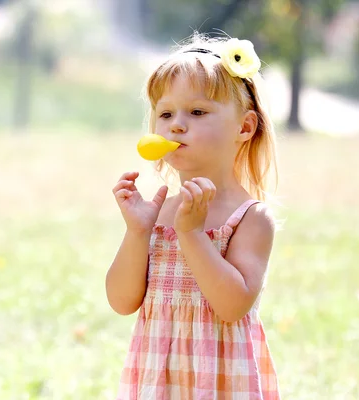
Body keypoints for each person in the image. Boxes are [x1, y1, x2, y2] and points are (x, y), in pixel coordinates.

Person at [106, 33, 280, 399]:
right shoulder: (159, 211)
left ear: (244, 128)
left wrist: (192, 234)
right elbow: (121, 301)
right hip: (158, 380)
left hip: (218, 382)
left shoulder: (250, 218)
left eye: (197, 112)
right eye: (165, 114)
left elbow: (233, 306)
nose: (177, 125)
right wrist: (137, 233)